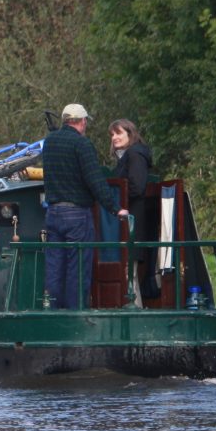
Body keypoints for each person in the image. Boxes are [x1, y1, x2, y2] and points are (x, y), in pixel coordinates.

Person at [38, 103, 128, 309]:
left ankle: (51, 312)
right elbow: (95, 180)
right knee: (77, 268)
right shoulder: (82, 144)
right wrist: (116, 208)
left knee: (54, 267)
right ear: (82, 121)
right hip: (76, 215)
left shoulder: (49, 142)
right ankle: (75, 317)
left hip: (53, 212)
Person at [110, 119, 160, 302]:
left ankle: (135, 314)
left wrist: (114, 201)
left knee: (130, 275)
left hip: (132, 225)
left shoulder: (135, 156)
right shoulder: (128, 156)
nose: (114, 137)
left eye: (119, 133)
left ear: (130, 134)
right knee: (129, 275)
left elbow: (136, 187)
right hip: (129, 224)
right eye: (112, 134)